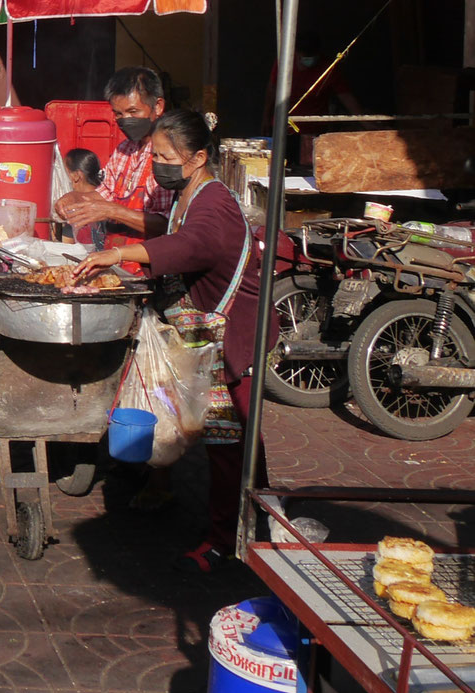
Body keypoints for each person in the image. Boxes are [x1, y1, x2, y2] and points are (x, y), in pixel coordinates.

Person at [73, 109, 278, 574]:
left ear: (198, 157)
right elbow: (176, 233)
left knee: (230, 446)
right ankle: (261, 519)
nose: (158, 165)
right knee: (241, 443)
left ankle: (229, 540)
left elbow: (193, 245)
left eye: (166, 157)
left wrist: (120, 253)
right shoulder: (191, 193)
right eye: (155, 155)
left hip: (231, 340)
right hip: (212, 338)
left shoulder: (214, 202)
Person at [54, 66, 175, 273]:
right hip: (116, 266)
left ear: (157, 107)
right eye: (118, 114)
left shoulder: (169, 155)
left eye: (133, 112)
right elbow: (104, 194)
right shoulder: (123, 150)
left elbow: (169, 225)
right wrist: (73, 198)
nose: (125, 120)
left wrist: (112, 211)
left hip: (151, 270)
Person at [262, 31, 363, 167]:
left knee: (312, 167)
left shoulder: (328, 68)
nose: (308, 60)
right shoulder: (284, 63)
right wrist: (266, 117)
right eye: (304, 57)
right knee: (283, 166)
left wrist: (363, 120)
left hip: (314, 130)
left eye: (312, 56)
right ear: (296, 53)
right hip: (286, 128)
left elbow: (345, 95)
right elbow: (272, 89)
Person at [62, 148, 105, 250]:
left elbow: (67, 246)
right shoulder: (110, 200)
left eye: (65, 172)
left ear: (76, 176)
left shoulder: (74, 206)